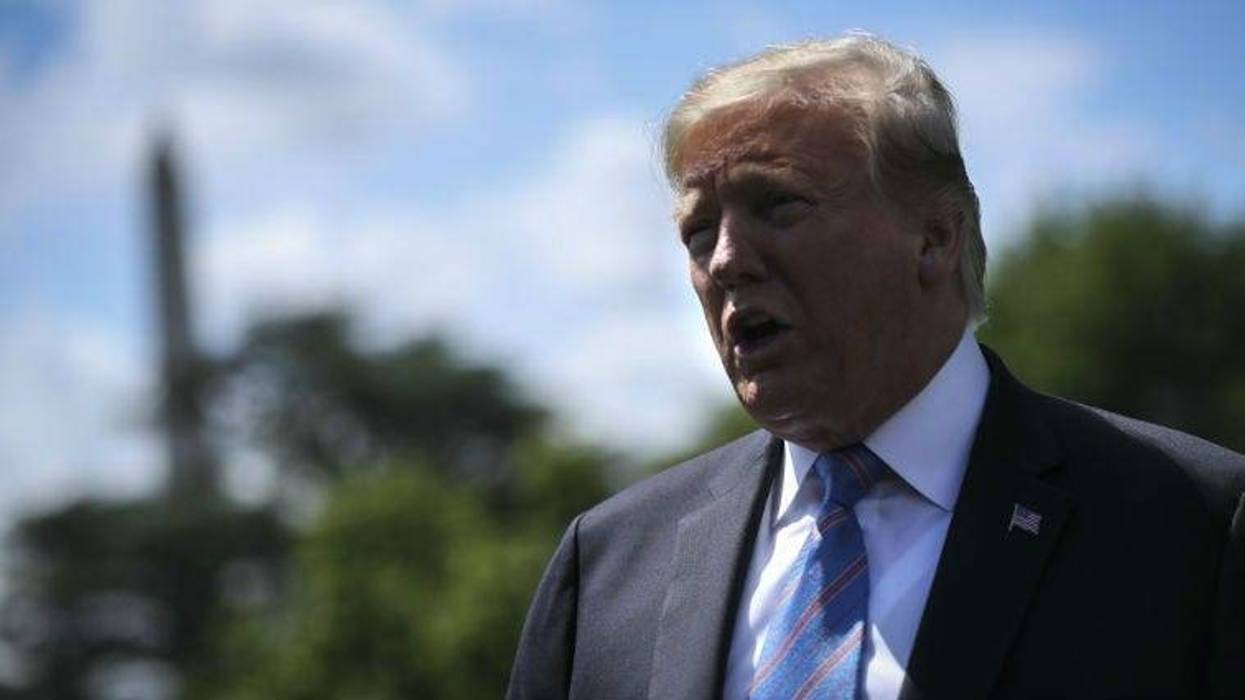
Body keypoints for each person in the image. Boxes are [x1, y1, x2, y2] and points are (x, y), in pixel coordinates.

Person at [506, 34, 1245, 699]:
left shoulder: (1195, 528)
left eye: (779, 205)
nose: (725, 259)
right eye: (699, 232)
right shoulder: (606, 566)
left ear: (933, 236)